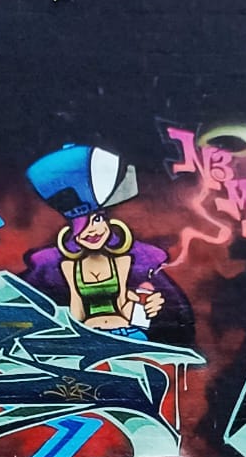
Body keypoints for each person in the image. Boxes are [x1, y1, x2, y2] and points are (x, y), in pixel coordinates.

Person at [23, 144, 178, 340]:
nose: (93, 230)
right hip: (91, 337)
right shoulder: (69, 267)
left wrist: (143, 306)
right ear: (72, 232)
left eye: (97, 220)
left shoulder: (122, 262)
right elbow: (77, 312)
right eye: (83, 225)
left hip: (127, 334)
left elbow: (121, 304)